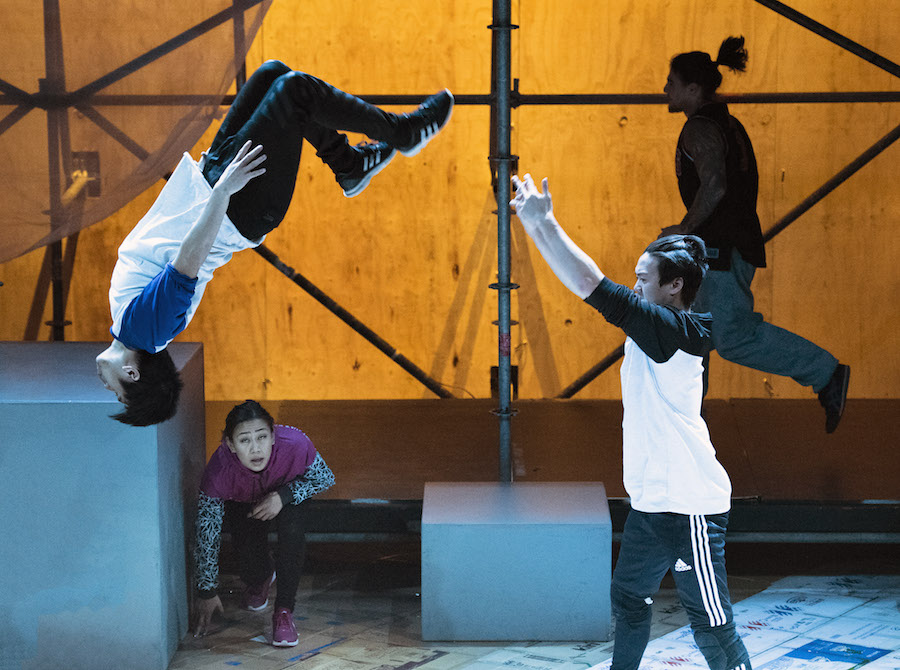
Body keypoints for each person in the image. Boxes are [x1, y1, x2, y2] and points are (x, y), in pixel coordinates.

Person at [96, 60, 454, 426]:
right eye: (117, 391)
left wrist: (205, 186)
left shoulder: (130, 321)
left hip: (215, 185)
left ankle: (349, 165)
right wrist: (221, 193)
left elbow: (167, 240)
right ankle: (403, 133)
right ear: (132, 374)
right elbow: (187, 261)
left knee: (271, 74)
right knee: (294, 91)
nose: (104, 385)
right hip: (237, 202)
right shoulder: (144, 331)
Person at [510, 173, 751, 670]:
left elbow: (592, 287)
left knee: (711, 624)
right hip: (652, 505)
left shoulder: (679, 332)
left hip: (691, 509)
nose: (636, 284)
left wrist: (544, 224)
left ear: (675, 286)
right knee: (628, 601)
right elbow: (598, 291)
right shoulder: (655, 328)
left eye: (644, 278)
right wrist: (537, 228)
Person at [661, 36, 849, 433]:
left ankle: (825, 372)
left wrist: (684, 228)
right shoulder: (725, 124)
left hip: (722, 249)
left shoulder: (700, 128)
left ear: (693, 90)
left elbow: (714, 186)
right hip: (717, 247)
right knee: (693, 332)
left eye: (672, 82)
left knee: (732, 337)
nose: (665, 89)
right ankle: (686, 418)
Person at [192, 399, 335, 647]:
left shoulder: (296, 443)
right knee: (249, 560)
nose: (256, 449)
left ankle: (283, 612)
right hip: (245, 501)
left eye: (261, 437)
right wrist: (207, 591)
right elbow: (208, 533)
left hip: (288, 496)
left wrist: (283, 497)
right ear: (230, 444)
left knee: (292, 530)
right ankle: (261, 577)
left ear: (273, 437)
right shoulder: (218, 472)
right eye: (245, 440)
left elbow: (324, 478)